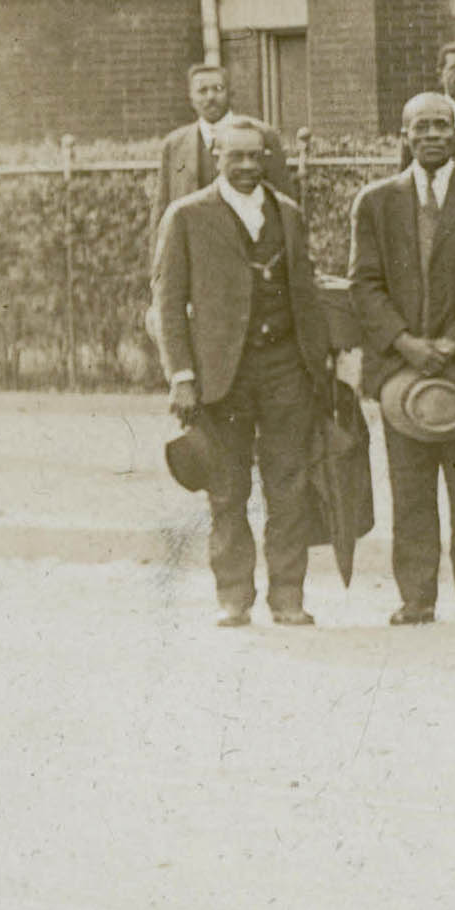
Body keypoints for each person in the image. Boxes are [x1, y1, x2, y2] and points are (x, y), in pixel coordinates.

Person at [153, 111, 333, 626]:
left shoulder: (289, 213)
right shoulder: (187, 215)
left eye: (257, 156)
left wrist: (318, 367)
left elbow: (306, 292)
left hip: (286, 370)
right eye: (237, 156)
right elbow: (167, 304)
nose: (249, 165)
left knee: (290, 486)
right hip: (220, 375)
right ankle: (234, 595)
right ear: (217, 158)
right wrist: (182, 376)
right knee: (227, 490)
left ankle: (288, 597)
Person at [347, 89, 455, 629]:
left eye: (442, 125)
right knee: (410, 488)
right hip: (402, 371)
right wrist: (404, 342)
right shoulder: (375, 201)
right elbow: (364, 283)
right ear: (405, 135)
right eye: (421, 127)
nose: (433, 135)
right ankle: (416, 596)